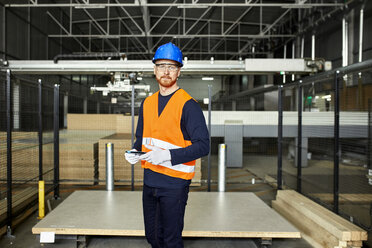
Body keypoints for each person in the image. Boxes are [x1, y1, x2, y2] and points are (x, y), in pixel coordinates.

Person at [124, 42, 210, 248]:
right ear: (154, 70)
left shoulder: (188, 105)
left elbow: (203, 146)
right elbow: (141, 137)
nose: (166, 71)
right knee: (153, 237)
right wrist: (135, 151)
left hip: (175, 185)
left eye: (171, 67)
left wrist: (167, 155)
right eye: (162, 66)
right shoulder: (147, 103)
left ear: (179, 71)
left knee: (171, 240)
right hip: (150, 181)